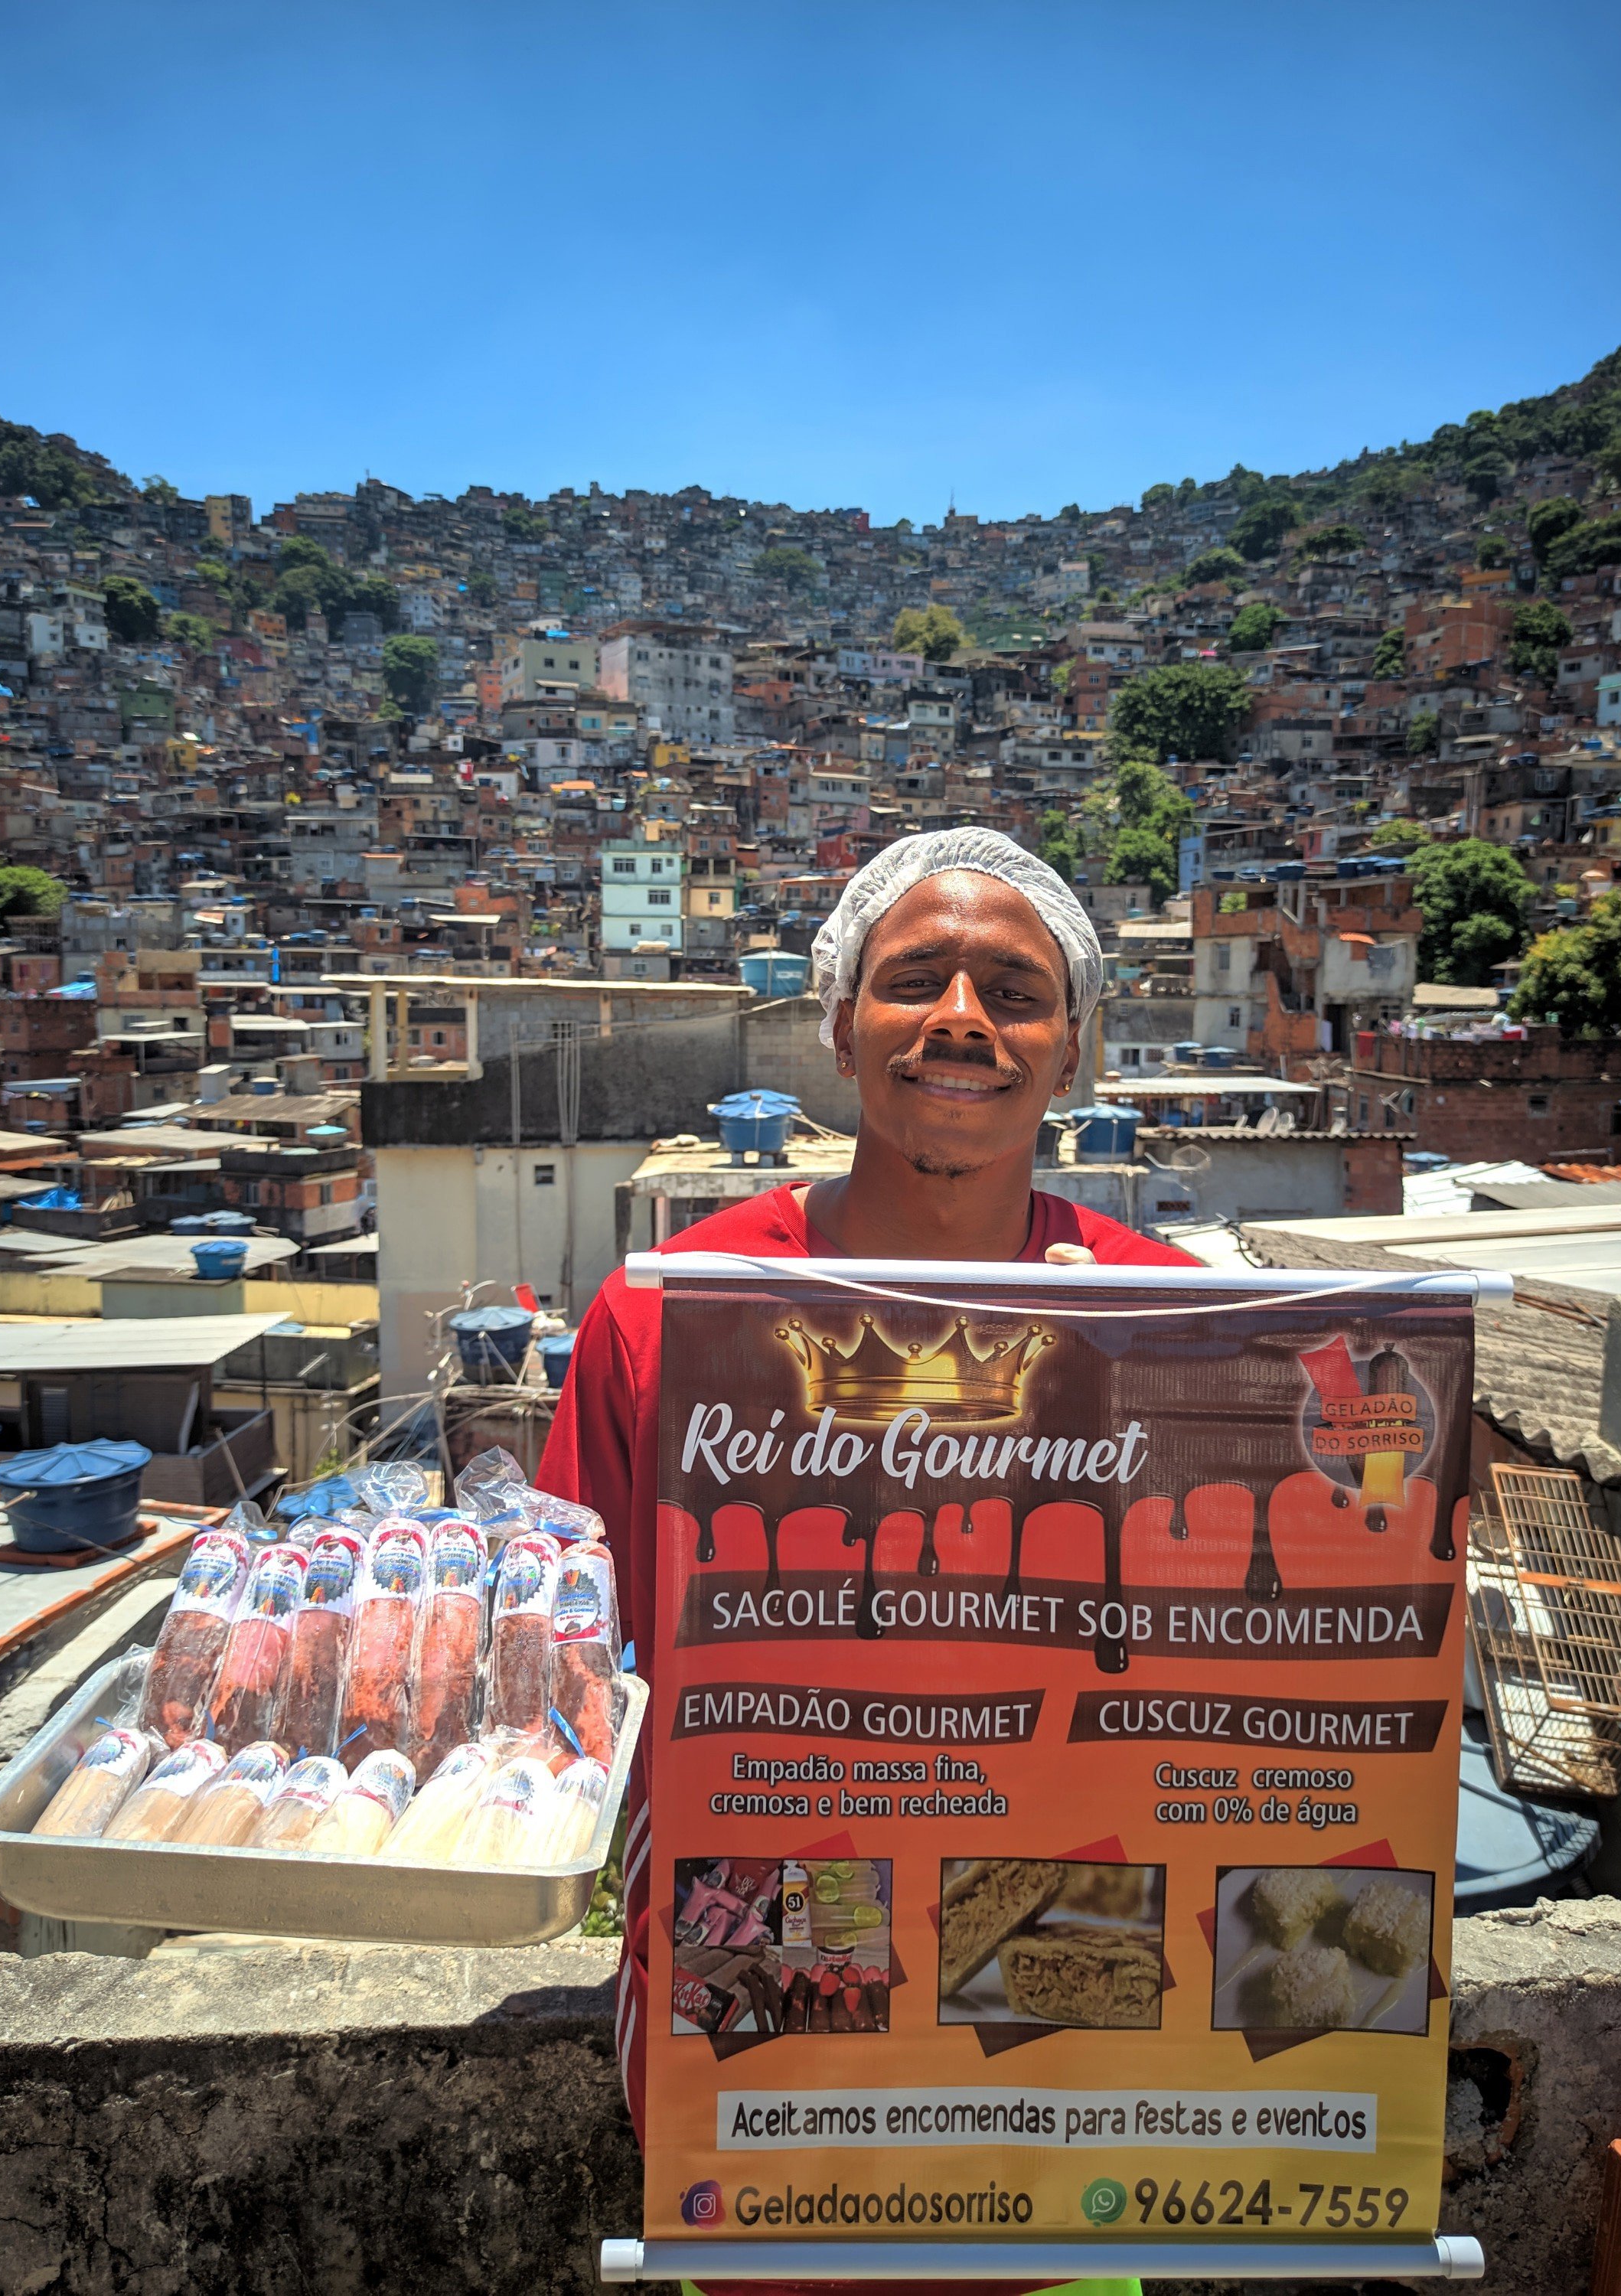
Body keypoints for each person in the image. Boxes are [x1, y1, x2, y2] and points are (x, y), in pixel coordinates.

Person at [538, 827, 1198, 2296]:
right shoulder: (670, 1319)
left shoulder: (1173, 1327)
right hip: (770, 1983)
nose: (963, 1017)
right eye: (916, 980)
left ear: (1072, 1050)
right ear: (839, 1024)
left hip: (1070, 2001)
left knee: (1058, 2267)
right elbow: (582, 1683)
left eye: (1014, 992)